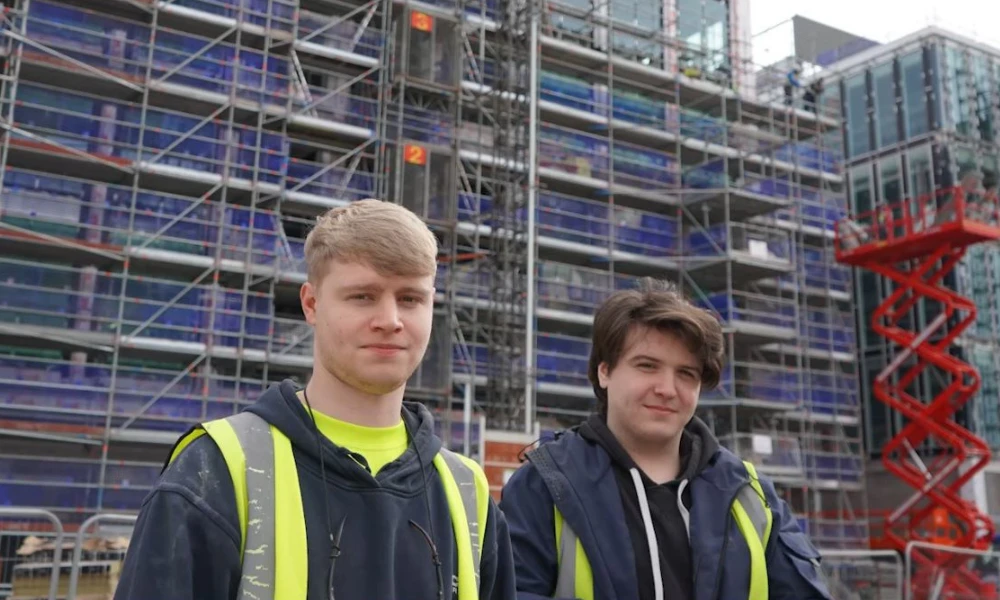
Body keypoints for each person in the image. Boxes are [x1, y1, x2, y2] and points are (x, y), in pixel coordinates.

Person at [114, 199, 517, 600]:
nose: (390, 320)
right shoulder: (217, 469)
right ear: (311, 303)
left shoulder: (468, 492)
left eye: (411, 298)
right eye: (362, 296)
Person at [499, 279, 833, 600]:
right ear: (605, 371)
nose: (667, 389)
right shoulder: (546, 484)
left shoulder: (749, 494)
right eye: (647, 366)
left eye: (686, 374)